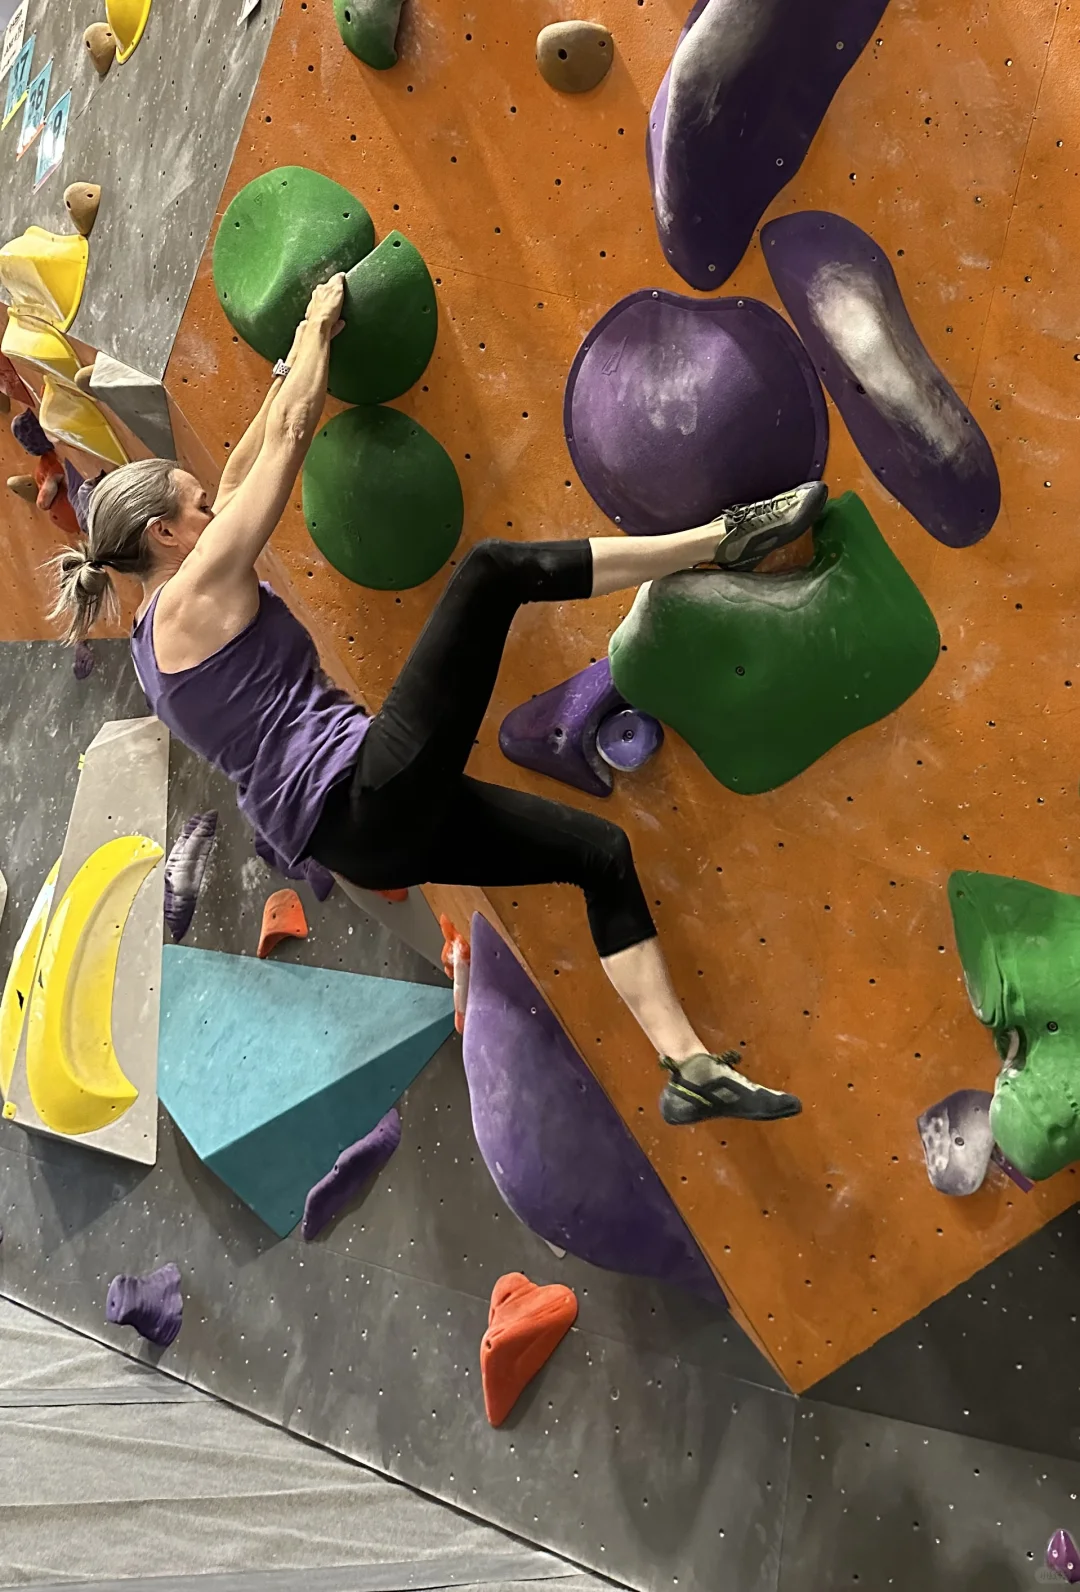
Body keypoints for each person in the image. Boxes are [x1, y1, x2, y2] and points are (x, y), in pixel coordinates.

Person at [50, 272, 825, 1127]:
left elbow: (240, 469)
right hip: (362, 791)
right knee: (492, 572)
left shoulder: (155, 644)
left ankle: (688, 1068)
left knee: (596, 854)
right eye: (193, 508)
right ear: (166, 536)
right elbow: (291, 439)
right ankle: (723, 542)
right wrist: (314, 319)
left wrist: (304, 351)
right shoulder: (196, 594)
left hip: (368, 841)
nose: (209, 505)